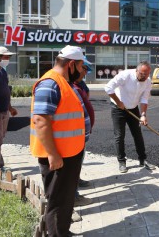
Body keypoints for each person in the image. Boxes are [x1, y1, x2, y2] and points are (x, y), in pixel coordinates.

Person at [30, 45, 91, 236]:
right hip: (58, 156)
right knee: (58, 200)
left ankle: (62, 231)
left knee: (65, 199)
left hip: (68, 152)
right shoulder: (50, 83)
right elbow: (40, 120)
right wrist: (53, 154)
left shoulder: (62, 82)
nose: (82, 72)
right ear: (71, 64)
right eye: (81, 67)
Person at [104, 61, 155, 173]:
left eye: (147, 74)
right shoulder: (125, 75)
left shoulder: (147, 81)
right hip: (118, 108)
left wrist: (143, 115)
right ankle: (121, 161)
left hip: (133, 108)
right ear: (136, 71)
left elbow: (144, 99)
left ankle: (142, 159)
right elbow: (108, 88)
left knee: (137, 133)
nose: (145, 77)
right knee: (119, 135)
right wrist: (118, 102)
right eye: (142, 74)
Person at [72, 60, 94, 212]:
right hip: (71, 134)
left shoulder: (83, 85)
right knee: (70, 167)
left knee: (78, 161)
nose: (85, 73)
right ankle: (72, 198)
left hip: (80, 133)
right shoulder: (70, 86)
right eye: (84, 69)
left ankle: (76, 182)